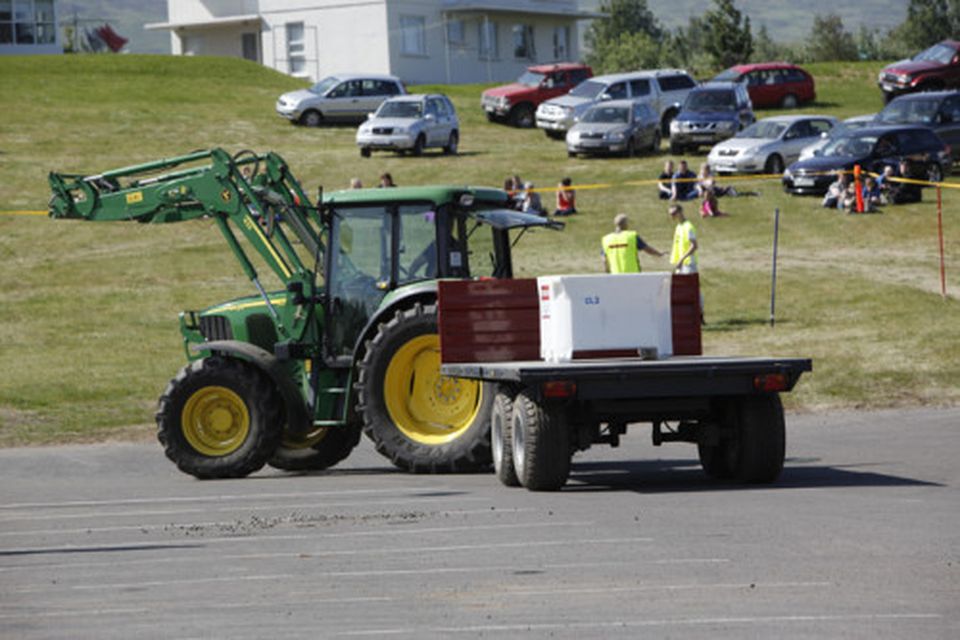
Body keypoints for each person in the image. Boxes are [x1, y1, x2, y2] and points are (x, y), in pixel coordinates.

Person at [669, 205, 698, 275]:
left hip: (688, 264)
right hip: (681, 264)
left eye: (674, 213)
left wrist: (682, 259)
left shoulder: (688, 227)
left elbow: (694, 246)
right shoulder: (679, 226)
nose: (672, 216)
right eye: (670, 214)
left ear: (680, 212)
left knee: (689, 285)